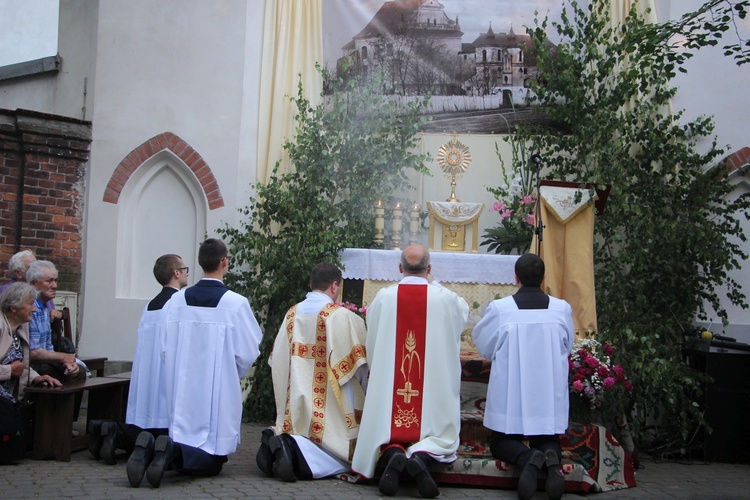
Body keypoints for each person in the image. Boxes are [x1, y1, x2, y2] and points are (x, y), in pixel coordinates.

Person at [127, 238, 262, 488]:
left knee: (184, 436)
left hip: (182, 392)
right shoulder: (235, 303)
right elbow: (248, 352)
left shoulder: (176, 302)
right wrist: (230, 375)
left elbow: (165, 348)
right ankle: (171, 454)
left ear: (200, 263)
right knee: (212, 461)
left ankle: (152, 450)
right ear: (224, 262)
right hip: (216, 394)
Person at [351, 244, 469, 498]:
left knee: (386, 426)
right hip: (431, 390)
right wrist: (434, 283)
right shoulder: (447, 299)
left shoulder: (383, 297)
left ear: (399, 268)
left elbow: (372, 338)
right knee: (440, 435)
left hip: (393, 386)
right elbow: (463, 315)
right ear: (429, 269)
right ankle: (420, 457)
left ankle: (394, 453)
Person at [471, 253, 575, 500]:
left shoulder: (501, 309)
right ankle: (549, 459)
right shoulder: (561, 309)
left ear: (515, 277)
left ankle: (527, 457)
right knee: (547, 437)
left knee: (501, 441)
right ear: (543, 278)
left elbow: (484, 347)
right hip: (548, 391)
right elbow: (567, 346)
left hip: (512, 391)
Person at [257, 262, 367, 482]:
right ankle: (292, 448)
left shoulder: (291, 314)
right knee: (345, 457)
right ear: (335, 286)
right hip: (329, 406)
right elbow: (359, 366)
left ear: (311, 284)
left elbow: (276, 360)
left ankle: (282, 438)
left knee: (301, 430)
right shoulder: (342, 317)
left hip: (296, 400)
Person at [89, 254, 189, 474]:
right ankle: (116, 433)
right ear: (176, 273)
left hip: (146, 372)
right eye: (185, 268)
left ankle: (113, 431)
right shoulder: (178, 303)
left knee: (147, 423)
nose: (187, 273)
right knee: (162, 432)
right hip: (165, 371)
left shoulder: (150, 305)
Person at [1, 282, 61, 464]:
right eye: (30, 304)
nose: (34, 309)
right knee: (12, 449)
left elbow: (24, 366)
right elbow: (14, 368)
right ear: (13, 307)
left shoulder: (21, 329)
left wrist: (37, 377)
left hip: (11, 397)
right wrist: (8, 371)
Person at [26, 260, 83, 382]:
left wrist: (66, 363)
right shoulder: (29, 308)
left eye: (56, 280)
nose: (55, 285)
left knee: (77, 371)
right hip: (29, 365)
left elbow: (48, 348)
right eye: (49, 281)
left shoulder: (44, 307)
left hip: (43, 360)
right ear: (33, 283)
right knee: (65, 377)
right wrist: (63, 357)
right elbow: (33, 353)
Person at [0, 250, 60, 319]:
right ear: (18, 274)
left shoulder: (43, 292)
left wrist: (54, 313)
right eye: (31, 267)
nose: (37, 270)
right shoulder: (8, 292)